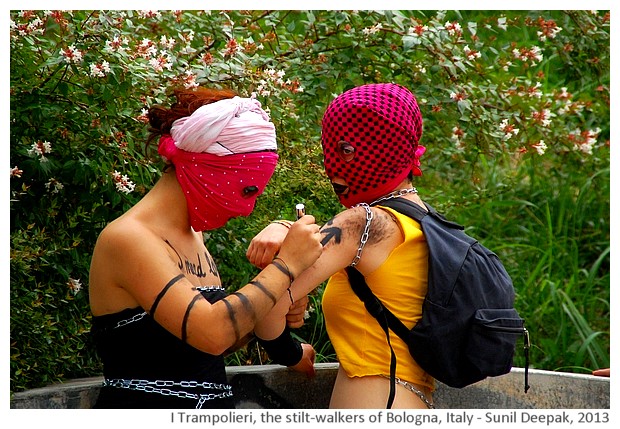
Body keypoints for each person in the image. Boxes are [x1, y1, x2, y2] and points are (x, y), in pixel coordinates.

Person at [89, 87, 323, 409]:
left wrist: (274, 309)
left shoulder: (192, 235)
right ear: (208, 168)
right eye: (247, 189)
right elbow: (212, 333)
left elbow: (205, 345)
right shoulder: (128, 239)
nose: (247, 209)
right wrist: (286, 266)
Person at [247, 83, 434, 409]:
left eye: (346, 150)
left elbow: (265, 307)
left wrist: (291, 354)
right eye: (328, 150)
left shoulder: (361, 223)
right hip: (412, 402)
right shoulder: (426, 222)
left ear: (385, 148)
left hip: (374, 404)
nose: (332, 165)